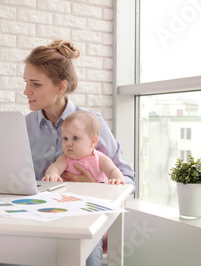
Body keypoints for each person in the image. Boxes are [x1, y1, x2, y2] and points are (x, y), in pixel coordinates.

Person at [21, 39, 136, 266]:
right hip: (34, 219)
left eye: (35, 84)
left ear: (60, 87)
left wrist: (94, 186)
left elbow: (128, 179)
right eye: (26, 82)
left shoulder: (92, 124)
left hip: (80, 221)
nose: (26, 91)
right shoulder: (24, 126)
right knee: (9, 257)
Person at [42, 110, 126, 185]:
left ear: (93, 141)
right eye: (65, 138)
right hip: (71, 197)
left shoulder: (100, 158)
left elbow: (112, 170)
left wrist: (117, 179)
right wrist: (52, 175)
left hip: (97, 196)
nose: (68, 143)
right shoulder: (66, 158)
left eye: (75, 138)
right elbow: (55, 167)